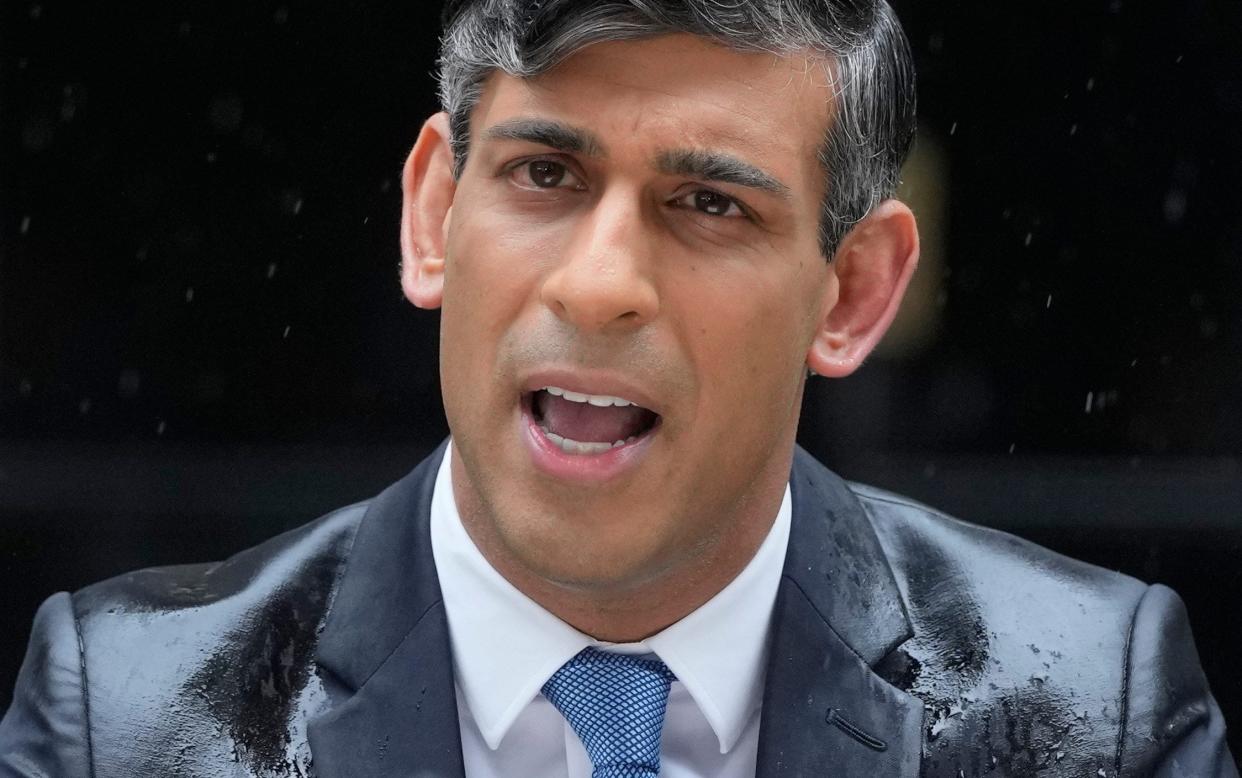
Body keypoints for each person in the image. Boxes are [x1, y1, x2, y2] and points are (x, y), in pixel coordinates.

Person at [0, 0, 1235, 775]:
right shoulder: (125, 716)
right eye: (544, 173)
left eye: (709, 203)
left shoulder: (1095, 706)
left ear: (854, 292)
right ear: (433, 215)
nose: (599, 285)